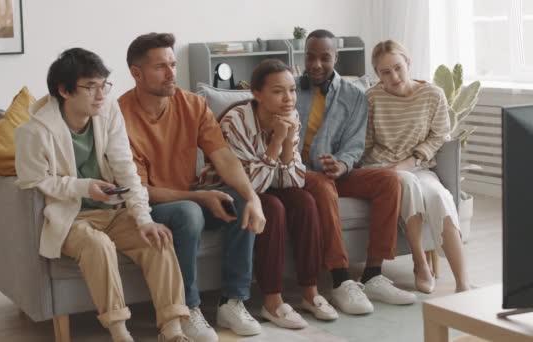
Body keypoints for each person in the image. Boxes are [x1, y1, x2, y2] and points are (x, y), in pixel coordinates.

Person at [14, 48, 190, 342]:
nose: (100, 95)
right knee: (99, 246)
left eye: (103, 85)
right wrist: (83, 187)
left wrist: (144, 219)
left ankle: (172, 328)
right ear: (64, 90)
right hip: (71, 218)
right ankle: (119, 332)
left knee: (157, 238)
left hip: (112, 211)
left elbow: (125, 167)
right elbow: (34, 181)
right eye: (90, 87)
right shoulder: (34, 132)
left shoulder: (107, 111)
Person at [118, 33, 266, 340]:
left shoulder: (194, 105)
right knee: (188, 212)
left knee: (235, 199)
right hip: (148, 205)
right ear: (136, 72)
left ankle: (232, 302)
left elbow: (223, 157)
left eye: (173, 63)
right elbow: (139, 191)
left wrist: (252, 197)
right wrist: (199, 196)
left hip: (187, 198)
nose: (172, 73)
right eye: (161, 66)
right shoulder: (119, 117)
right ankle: (187, 310)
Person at [201, 59, 339, 329]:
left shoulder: (291, 116)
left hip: (267, 181)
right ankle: (272, 302)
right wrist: (277, 141)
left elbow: (292, 182)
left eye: (292, 90)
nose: (288, 98)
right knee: (272, 207)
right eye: (278, 91)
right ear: (256, 93)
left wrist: (288, 141)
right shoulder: (236, 120)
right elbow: (250, 185)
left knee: (305, 201)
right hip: (232, 188)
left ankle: (310, 293)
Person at [296, 29, 417, 315]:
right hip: (299, 174)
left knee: (388, 180)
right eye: (310, 57)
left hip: (337, 171)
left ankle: (373, 274)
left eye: (324, 58)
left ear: (336, 58)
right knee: (323, 186)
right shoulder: (290, 88)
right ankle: (340, 280)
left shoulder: (354, 96)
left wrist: (342, 164)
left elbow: (354, 143)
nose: (316, 64)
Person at [361, 40, 470, 293]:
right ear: (377, 75)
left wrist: (412, 160)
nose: (394, 76)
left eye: (398, 68)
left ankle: (463, 285)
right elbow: (364, 142)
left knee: (440, 196)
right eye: (385, 72)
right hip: (382, 168)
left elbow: (439, 135)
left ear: (408, 63)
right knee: (406, 182)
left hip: (418, 165)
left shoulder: (433, 95)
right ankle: (420, 263)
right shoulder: (371, 98)